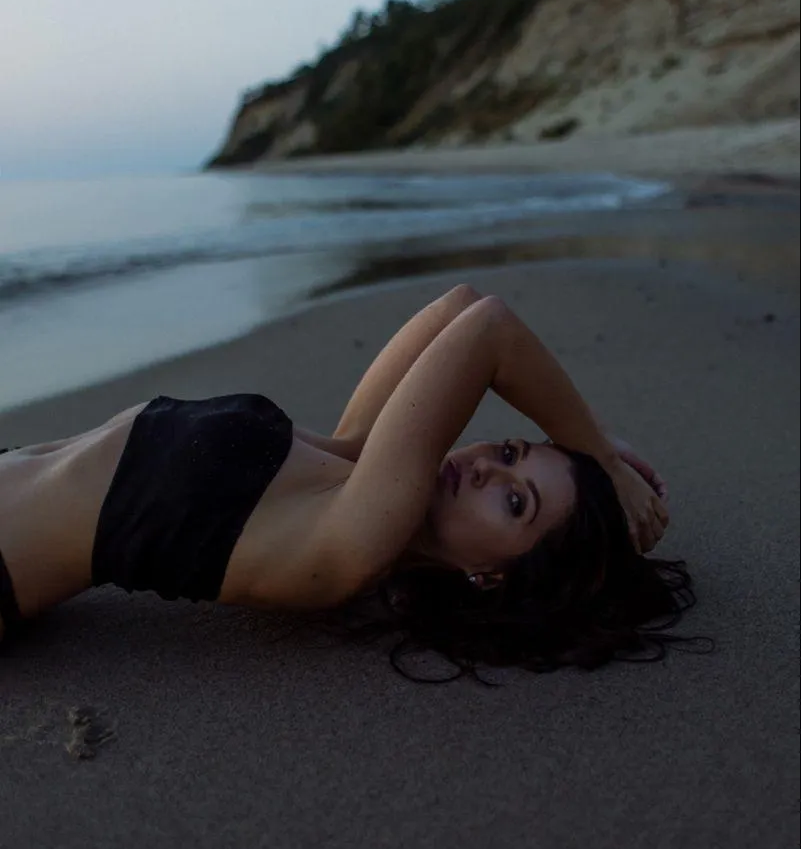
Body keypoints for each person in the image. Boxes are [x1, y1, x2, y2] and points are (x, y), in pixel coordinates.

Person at [0, 284, 699, 678]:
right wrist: (586, 445)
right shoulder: (352, 465)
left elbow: (491, 331)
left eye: (514, 501)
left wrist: (600, 459)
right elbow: (457, 307)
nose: (489, 465)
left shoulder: (353, 541)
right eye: (513, 449)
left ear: (490, 577)